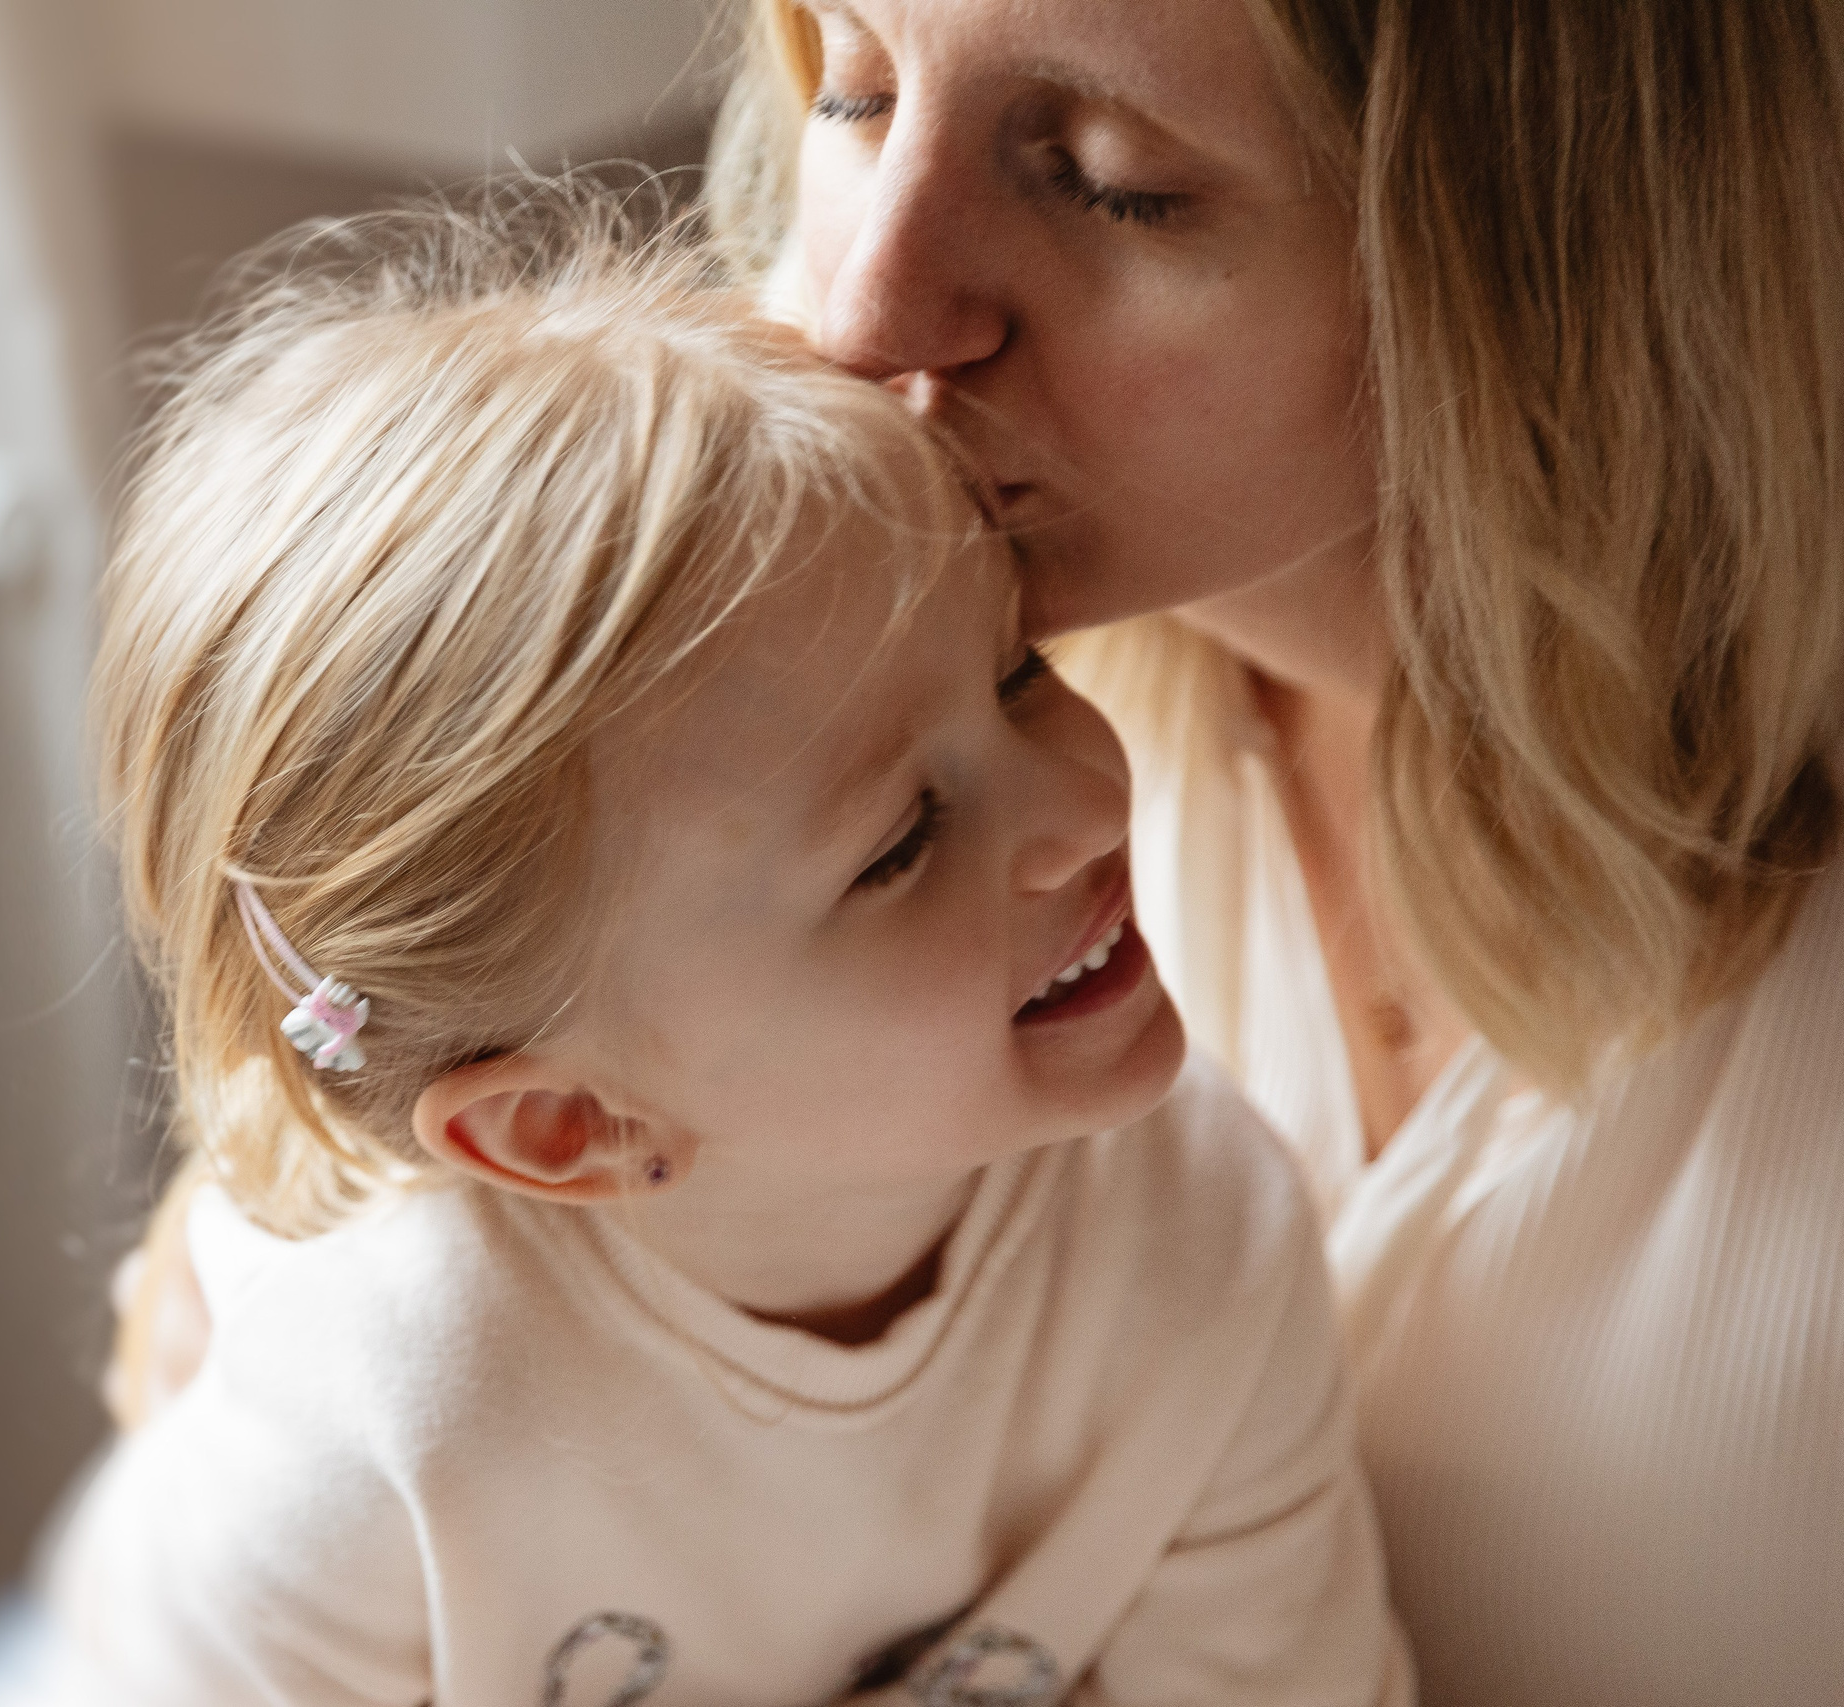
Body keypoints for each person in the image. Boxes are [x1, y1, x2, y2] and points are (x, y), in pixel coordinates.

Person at [48, 201, 1410, 1705]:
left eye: (1019, 673)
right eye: (899, 841)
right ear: (572, 1123)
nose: (1087, 802)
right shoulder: (383, 1401)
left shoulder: (1201, 1239)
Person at [703, 2, 1840, 1703]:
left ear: (1561, 253)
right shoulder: (771, 648)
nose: (868, 312)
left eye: (1111, 183)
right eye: (858, 86)